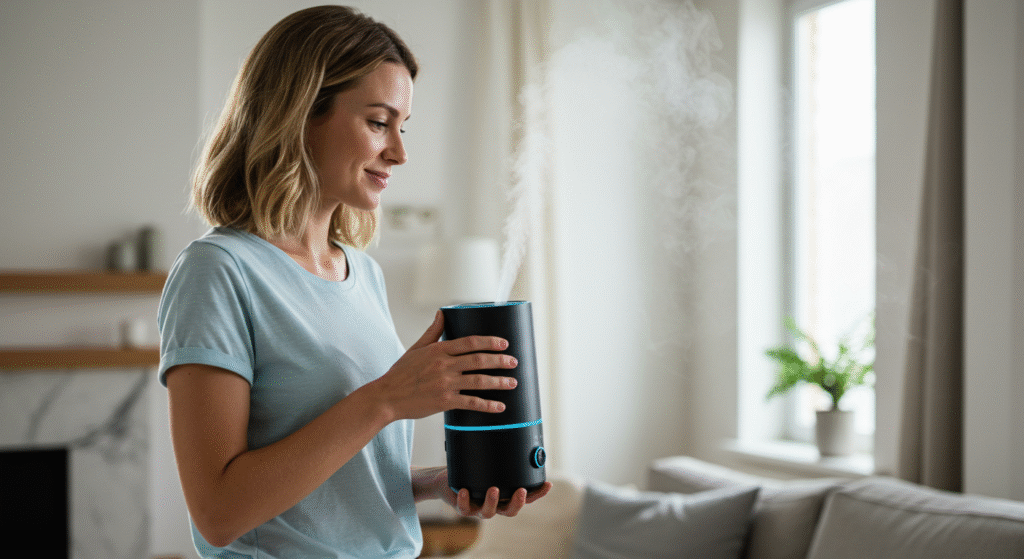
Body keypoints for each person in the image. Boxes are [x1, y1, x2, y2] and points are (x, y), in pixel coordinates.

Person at [157, 5, 551, 557]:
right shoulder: (218, 271)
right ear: (299, 114)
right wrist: (386, 399)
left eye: (403, 126)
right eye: (377, 122)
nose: (399, 151)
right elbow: (221, 512)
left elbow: (332, 487)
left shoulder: (360, 271)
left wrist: (436, 483)